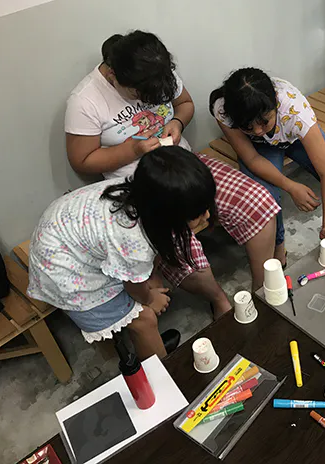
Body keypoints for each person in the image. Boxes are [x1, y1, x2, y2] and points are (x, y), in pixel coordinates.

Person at [64, 31, 280, 313]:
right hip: (139, 189)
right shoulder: (85, 100)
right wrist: (133, 150)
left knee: (259, 201)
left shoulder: (158, 72)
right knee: (183, 250)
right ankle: (218, 300)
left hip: (185, 164)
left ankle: (263, 290)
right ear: (114, 76)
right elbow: (82, 161)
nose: (148, 99)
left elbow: (185, 104)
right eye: (138, 94)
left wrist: (177, 123)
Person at [29, 148, 233, 359]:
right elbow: (133, 285)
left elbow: (149, 254)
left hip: (67, 239)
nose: (207, 216)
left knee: (144, 295)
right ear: (166, 214)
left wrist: (149, 277)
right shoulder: (134, 240)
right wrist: (149, 298)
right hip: (64, 273)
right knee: (145, 320)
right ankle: (160, 367)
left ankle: (151, 347)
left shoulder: (146, 194)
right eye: (197, 214)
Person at [209, 68, 325, 264]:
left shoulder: (294, 110)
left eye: (264, 122)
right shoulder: (223, 109)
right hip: (259, 148)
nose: (258, 131)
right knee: (265, 196)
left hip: (294, 136)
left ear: (276, 105)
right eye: (248, 127)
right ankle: (278, 248)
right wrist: (291, 186)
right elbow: (251, 159)